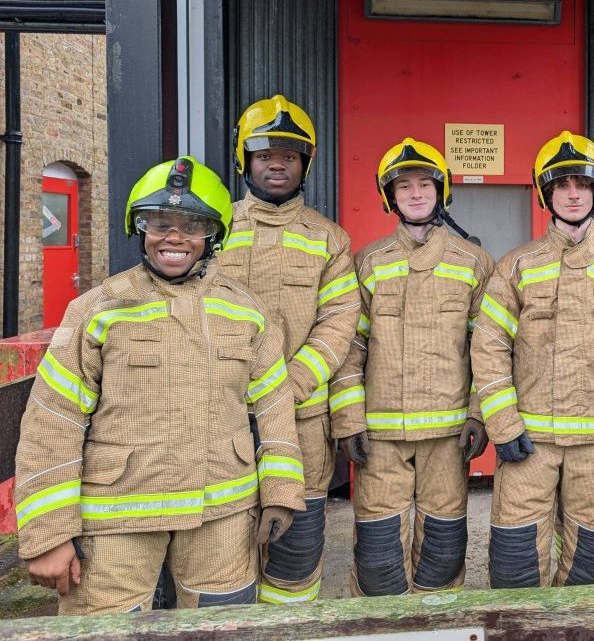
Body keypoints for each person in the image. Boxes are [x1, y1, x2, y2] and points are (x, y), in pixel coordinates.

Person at [14, 157, 305, 614]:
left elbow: (275, 405)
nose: (174, 236)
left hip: (223, 519)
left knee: (224, 628)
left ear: (214, 236)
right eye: (159, 222)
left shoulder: (246, 311)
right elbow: (53, 420)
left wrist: (281, 490)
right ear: (139, 228)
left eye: (192, 225)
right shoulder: (98, 310)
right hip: (117, 522)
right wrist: (49, 533)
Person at [471, 131, 594, 588]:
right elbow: (489, 347)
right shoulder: (516, 266)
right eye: (561, 185)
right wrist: (503, 425)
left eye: (582, 184)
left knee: (590, 573)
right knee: (515, 568)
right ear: (546, 194)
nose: (573, 194)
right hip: (528, 443)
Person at [329, 138, 494, 596]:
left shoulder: (474, 263)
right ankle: (379, 627)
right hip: (381, 438)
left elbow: (487, 349)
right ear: (390, 197)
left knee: (442, 551)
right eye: (404, 186)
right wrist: (349, 420)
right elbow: (350, 347)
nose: (416, 194)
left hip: (448, 437)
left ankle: (440, 626)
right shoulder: (369, 263)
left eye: (425, 184)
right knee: (377, 557)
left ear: (442, 191)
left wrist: (480, 414)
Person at [213, 94, 360, 604]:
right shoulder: (214, 229)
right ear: (244, 160)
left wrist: (286, 386)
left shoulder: (329, 239)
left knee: (296, 559)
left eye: (290, 156)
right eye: (264, 155)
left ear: (305, 164)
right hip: (222, 420)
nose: (277, 164)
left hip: (302, 422)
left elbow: (338, 323)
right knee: (221, 555)